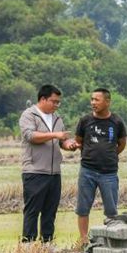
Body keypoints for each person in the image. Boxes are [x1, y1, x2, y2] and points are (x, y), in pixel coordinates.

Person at [19, 84, 77, 242]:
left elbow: (61, 141)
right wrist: (54, 135)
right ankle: (28, 247)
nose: (56, 105)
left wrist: (69, 145)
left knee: (50, 212)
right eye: (54, 101)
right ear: (43, 99)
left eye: (58, 102)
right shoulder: (29, 115)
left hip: (54, 172)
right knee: (32, 211)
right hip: (35, 171)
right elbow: (30, 136)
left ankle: (47, 245)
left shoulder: (57, 118)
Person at [74, 88, 127, 245]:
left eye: (96, 100)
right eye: (91, 99)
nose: (93, 103)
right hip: (87, 170)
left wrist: (110, 155)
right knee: (83, 207)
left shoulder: (116, 121)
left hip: (109, 172)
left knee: (111, 210)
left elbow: (121, 143)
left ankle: (112, 239)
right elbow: (79, 141)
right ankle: (83, 240)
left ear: (107, 101)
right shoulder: (85, 120)